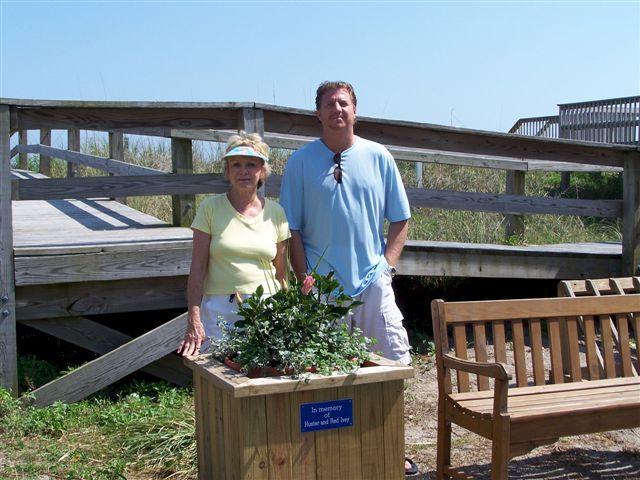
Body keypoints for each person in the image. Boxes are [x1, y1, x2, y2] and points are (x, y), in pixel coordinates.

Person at [280, 80, 418, 476]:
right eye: (329, 104)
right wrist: (304, 278)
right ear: (318, 113)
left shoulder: (378, 156)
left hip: (372, 281)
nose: (337, 110)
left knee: (391, 365)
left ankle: (393, 448)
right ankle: (333, 457)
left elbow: (401, 218)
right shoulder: (301, 162)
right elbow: (293, 230)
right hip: (323, 286)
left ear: (355, 110)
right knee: (324, 374)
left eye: (344, 103)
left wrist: (386, 268)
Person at [177, 132, 290, 356]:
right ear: (227, 171)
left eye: (251, 164)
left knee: (262, 374)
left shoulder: (276, 213)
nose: (243, 171)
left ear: (262, 171)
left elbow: (281, 274)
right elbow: (197, 269)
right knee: (215, 373)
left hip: (265, 307)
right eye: (236, 164)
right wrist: (194, 316)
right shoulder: (210, 208)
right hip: (219, 308)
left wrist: (286, 315)